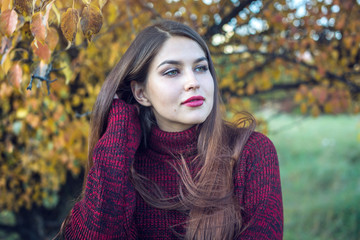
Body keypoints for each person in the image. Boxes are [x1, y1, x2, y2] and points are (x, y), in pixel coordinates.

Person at [57, 20, 283, 239]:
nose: (193, 81)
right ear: (141, 93)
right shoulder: (124, 164)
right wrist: (119, 131)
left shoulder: (251, 152)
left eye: (201, 68)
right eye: (172, 72)